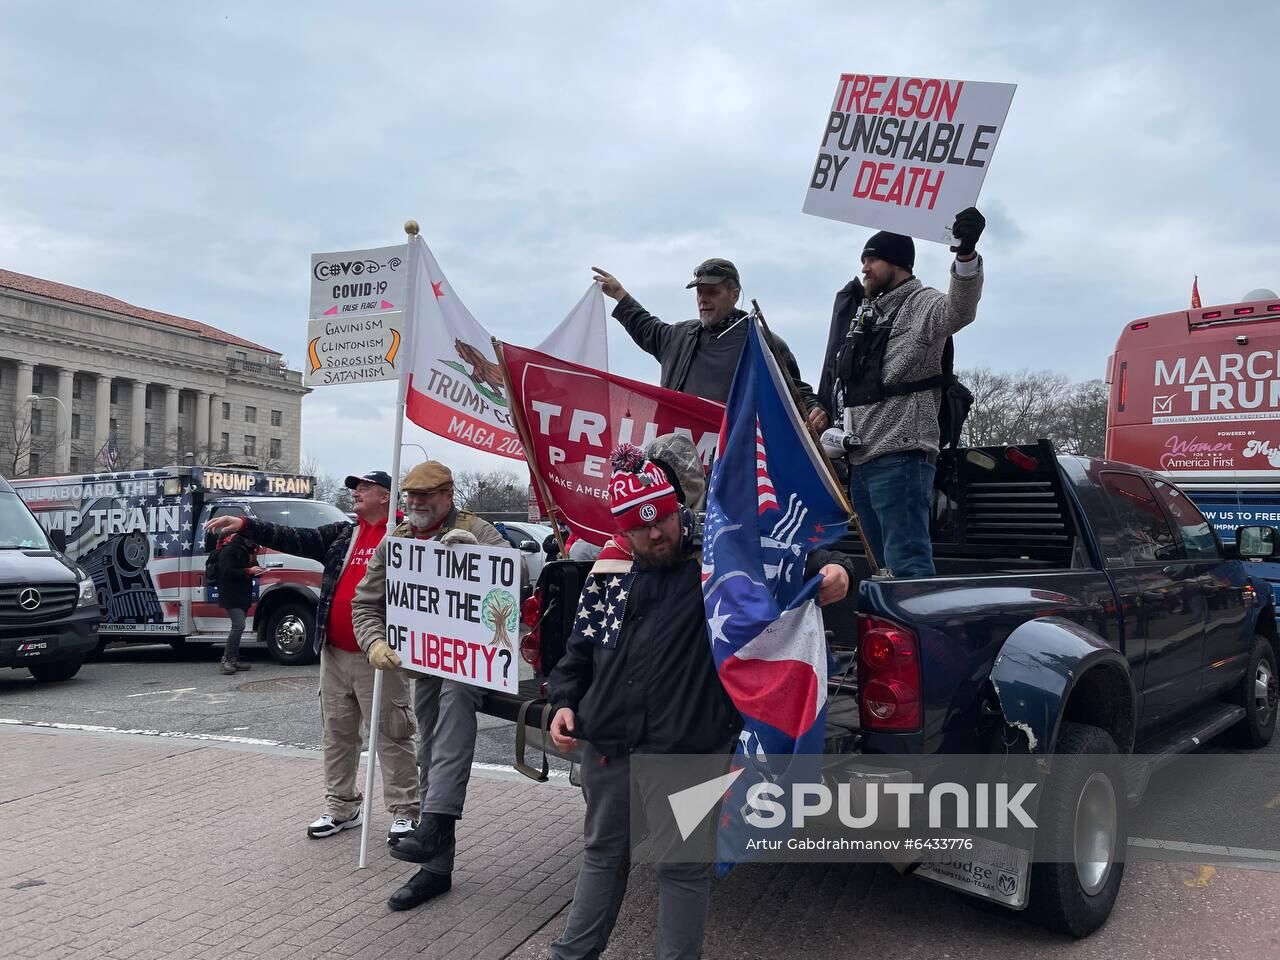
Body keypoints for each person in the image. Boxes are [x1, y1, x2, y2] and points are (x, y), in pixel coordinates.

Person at [545, 445, 852, 960]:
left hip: (689, 749)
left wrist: (833, 566)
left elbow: (786, 550)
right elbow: (577, 654)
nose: (656, 533)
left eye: (662, 517)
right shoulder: (610, 569)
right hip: (609, 744)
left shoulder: (718, 556)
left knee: (682, 868)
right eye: (640, 527)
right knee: (602, 853)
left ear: (676, 508)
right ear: (622, 530)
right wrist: (563, 701)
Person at [204, 470, 419, 843]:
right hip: (334, 653)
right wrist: (245, 523)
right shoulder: (342, 534)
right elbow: (293, 537)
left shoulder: (405, 536)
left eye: (364, 488)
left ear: (386, 496)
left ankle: (405, 812)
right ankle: (341, 806)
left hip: (379, 654)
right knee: (337, 734)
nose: (355, 493)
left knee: (392, 734)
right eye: (354, 488)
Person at [350, 460, 509, 912]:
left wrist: (476, 553)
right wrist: (375, 642)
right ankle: (436, 864)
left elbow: (512, 581)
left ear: (448, 495)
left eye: (426, 497)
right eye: (410, 497)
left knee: (452, 720)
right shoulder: (396, 540)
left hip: (473, 660)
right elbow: (366, 603)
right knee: (428, 753)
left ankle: (435, 827)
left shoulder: (479, 528)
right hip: (423, 663)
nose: (416, 505)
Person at [824, 208, 986, 578]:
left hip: (900, 460)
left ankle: (920, 636)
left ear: (897, 263)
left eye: (872, 259)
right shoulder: (868, 313)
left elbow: (960, 309)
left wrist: (966, 256)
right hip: (861, 462)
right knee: (883, 570)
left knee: (908, 569)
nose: (864, 267)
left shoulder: (921, 304)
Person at [592, 258, 823, 415]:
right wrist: (620, 295)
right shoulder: (680, 336)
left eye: (712, 292)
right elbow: (647, 327)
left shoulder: (762, 343)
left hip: (732, 465)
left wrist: (817, 410)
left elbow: (797, 394)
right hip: (676, 462)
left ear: (734, 295)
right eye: (699, 293)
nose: (703, 299)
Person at [209, 526, 263, 675]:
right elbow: (226, 572)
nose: (255, 543)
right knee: (238, 625)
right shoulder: (230, 550)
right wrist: (248, 571)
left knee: (239, 626)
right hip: (231, 593)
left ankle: (233, 659)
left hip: (241, 593)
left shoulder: (247, 550)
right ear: (246, 538)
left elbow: (247, 568)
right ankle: (226, 660)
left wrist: (255, 568)